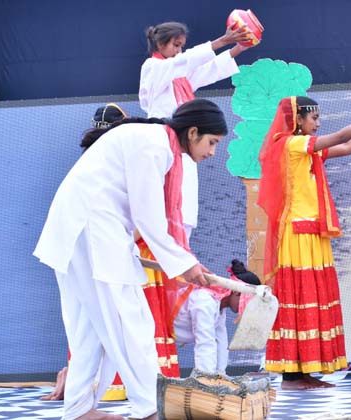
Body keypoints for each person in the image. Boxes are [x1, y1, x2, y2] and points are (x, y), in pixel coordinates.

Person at [33, 98, 227, 420]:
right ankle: (149, 407)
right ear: (193, 132)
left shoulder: (152, 141)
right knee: (131, 321)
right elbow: (147, 217)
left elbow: (134, 211)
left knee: (89, 327)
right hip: (92, 231)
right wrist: (184, 264)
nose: (212, 152)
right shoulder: (154, 146)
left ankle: (79, 409)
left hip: (80, 230)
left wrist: (181, 262)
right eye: (212, 142)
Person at [137, 22, 256, 375]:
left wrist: (239, 48)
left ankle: (180, 284)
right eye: (175, 45)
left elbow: (204, 70)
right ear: (161, 44)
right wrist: (222, 40)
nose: (178, 50)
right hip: (164, 155)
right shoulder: (154, 69)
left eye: (181, 45)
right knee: (163, 224)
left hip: (183, 161)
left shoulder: (180, 80)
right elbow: (185, 63)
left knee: (183, 223)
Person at [258, 81, 351, 390]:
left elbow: (346, 148)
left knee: (312, 296)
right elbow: (340, 137)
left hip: (311, 230)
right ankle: (291, 376)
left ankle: (303, 371)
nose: (318, 123)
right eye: (313, 118)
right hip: (297, 233)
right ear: (298, 119)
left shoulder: (307, 150)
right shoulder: (290, 144)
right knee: (299, 295)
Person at [41, 103, 130, 402]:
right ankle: (86, 398)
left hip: (79, 249)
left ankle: (81, 397)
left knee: (83, 324)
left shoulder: (92, 158)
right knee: (104, 325)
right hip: (93, 250)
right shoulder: (113, 158)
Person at [173, 259, 261, 374]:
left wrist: (221, 375)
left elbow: (221, 341)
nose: (246, 309)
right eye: (248, 302)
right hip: (157, 330)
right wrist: (206, 378)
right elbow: (205, 342)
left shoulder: (219, 305)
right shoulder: (205, 301)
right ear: (236, 292)